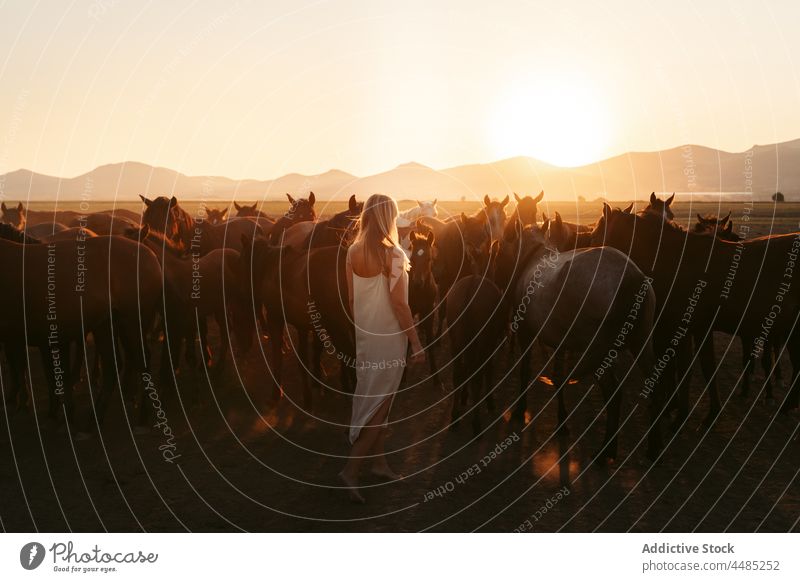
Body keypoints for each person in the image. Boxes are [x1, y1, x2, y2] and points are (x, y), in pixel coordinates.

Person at [338, 193, 425, 503]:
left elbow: (351, 300)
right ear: (389, 218)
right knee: (381, 406)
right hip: (389, 337)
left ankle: (378, 463)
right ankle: (351, 470)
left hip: (366, 336)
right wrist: (416, 342)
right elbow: (400, 305)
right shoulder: (396, 255)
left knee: (371, 399)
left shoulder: (352, 251)